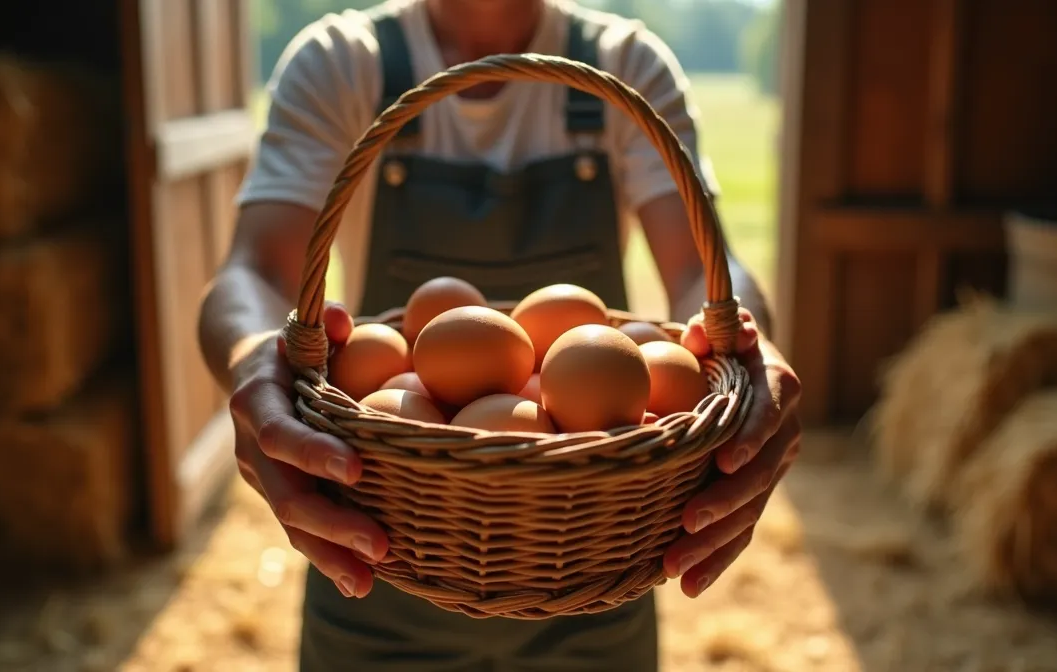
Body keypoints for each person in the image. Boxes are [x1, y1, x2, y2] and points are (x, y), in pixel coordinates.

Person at [199, 0, 802, 669]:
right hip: (378, 557)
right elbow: (254, 271)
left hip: (594, 564)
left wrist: (745, 343)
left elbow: (703, 270)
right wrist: (258, 352)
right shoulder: (344, 63)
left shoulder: (621, 65)